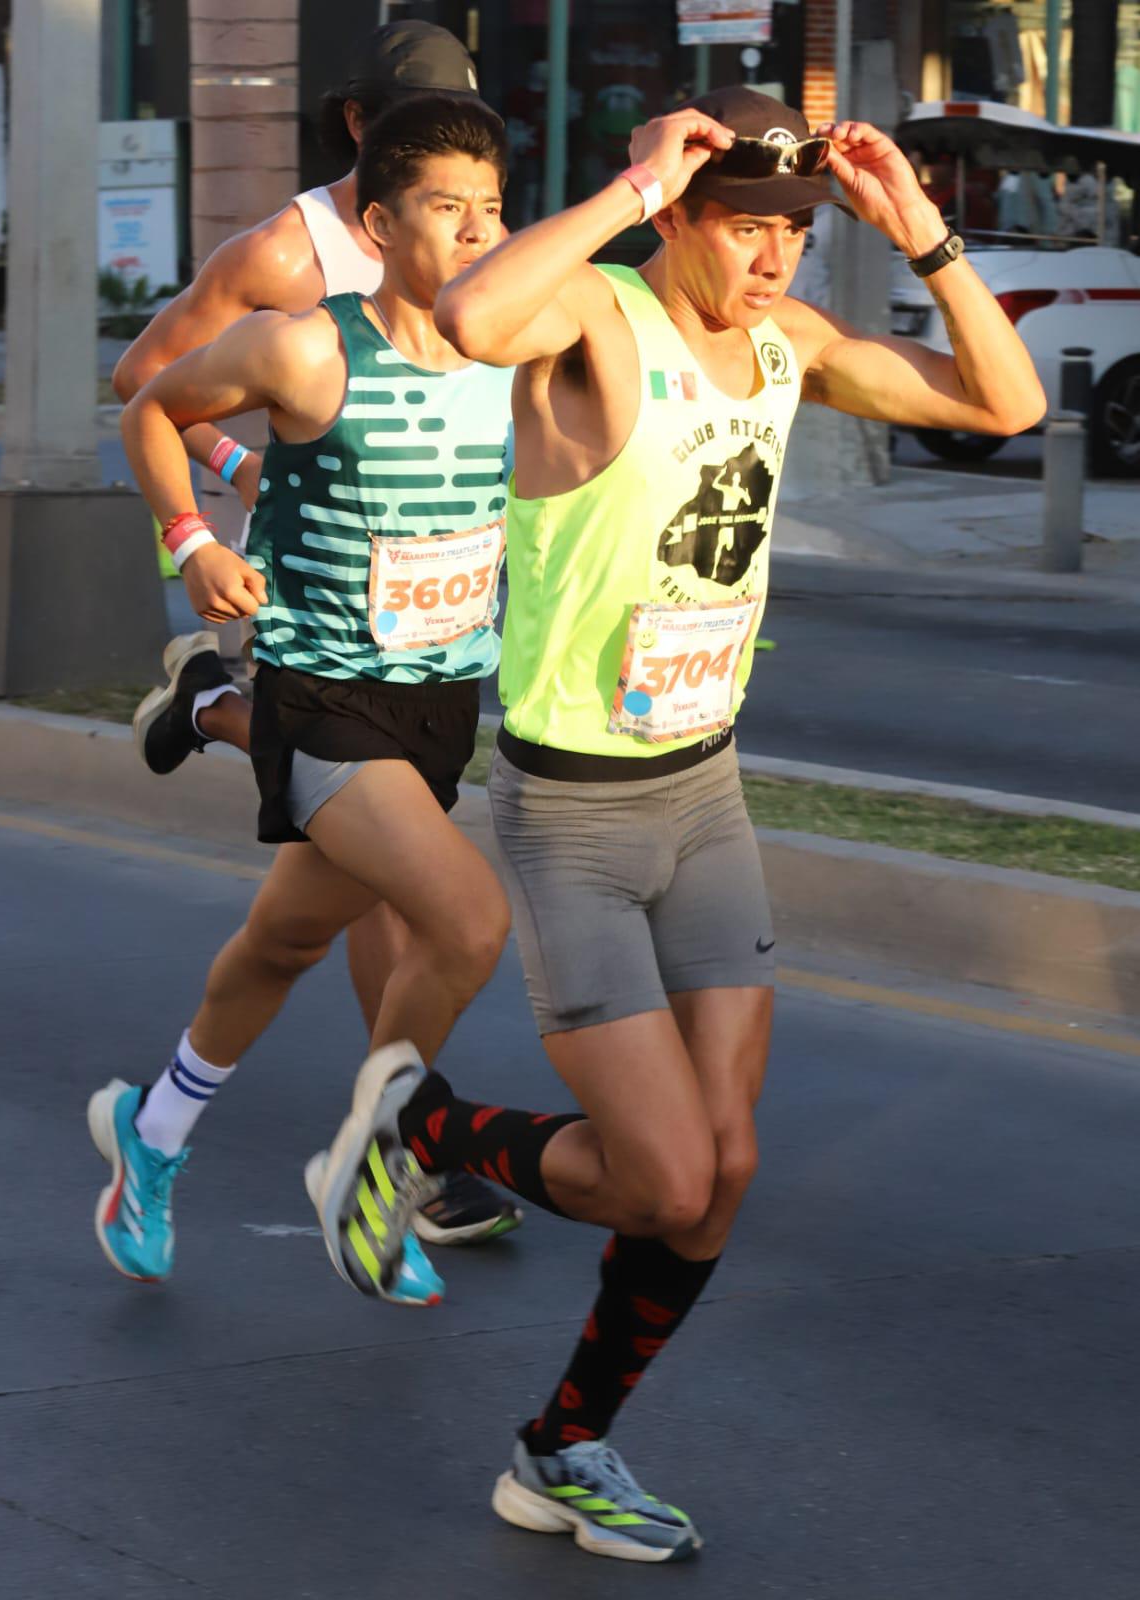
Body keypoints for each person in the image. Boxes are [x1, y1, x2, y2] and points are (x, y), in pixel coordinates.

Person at [312, 87, 1046, 1560]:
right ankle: (412, 1125)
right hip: (573, 814)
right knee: (655, 1177)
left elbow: (1008, 407)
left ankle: (562, 1445)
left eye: (792, 231)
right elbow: (466, 315)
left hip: (705, 801)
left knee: (723, 1178)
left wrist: (924, 235)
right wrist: (639, 184)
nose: (771, 257)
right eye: (743, 226)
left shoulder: (789, 348)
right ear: (684, 220)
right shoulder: (597, 318)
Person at [89, 94, 523, 1303]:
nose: (480, 235)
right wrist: (192, 544)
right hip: (323, 698)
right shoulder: (306, 347)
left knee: (283, 941)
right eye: (449, 210)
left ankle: (152, 1130)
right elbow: (152, 404)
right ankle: (373, 1168)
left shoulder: (513, 356)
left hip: (441, 710)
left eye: (493, 211)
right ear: (380, 226)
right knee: (469, 921)